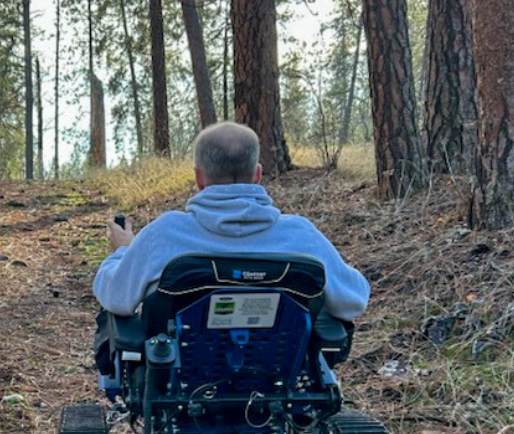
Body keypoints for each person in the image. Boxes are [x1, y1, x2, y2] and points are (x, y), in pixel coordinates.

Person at [92, 121, 370, 320]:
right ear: (257, 175)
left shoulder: (165, 234)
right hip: (280, 380)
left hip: (178, 387)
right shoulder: (301, 236)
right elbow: (353, 301)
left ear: (199, 177)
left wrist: (122, 251)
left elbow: (117, 297)